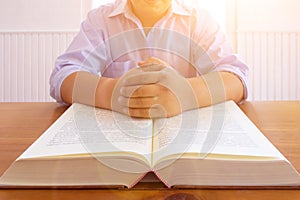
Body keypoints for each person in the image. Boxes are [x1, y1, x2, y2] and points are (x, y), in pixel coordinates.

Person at [50, 0, 248, 118]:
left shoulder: (199, 20)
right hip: (118, 138)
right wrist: (113, 93)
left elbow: (236, 79)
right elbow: (63, 77)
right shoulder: (100, 20)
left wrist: (187, 93)